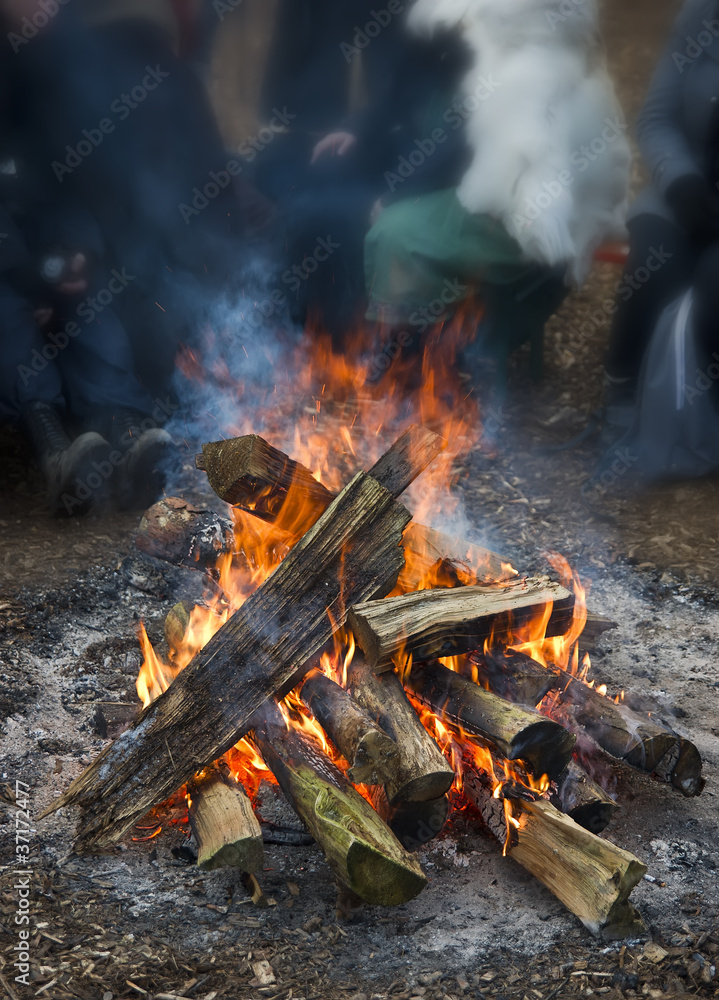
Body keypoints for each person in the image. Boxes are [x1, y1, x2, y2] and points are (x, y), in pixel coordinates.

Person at [250, 0, 472, 338]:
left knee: (344, 214)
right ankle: (299, 328)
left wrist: (399, 191)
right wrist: (357, 128)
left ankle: (359, 335)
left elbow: (463, 143)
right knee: (306, 179)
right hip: (415, 149)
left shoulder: (502, 34)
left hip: (461, 178)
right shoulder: (440, 17)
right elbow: (404, 90)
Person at [604, 0, 719, 427]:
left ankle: (699, 415)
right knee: (654, 265)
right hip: (681, 190)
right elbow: (656, 117)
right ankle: (623, 392)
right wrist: (682, 183)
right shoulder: (701, 16)